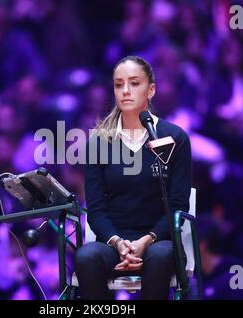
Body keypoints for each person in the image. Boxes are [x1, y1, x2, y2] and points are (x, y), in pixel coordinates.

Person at [75, 56, 192, 300]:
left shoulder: (174, 137)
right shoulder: (99, 142)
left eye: (134, 83)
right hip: (114, 244)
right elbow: (96, 210)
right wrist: (119, 243)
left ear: (151, 90)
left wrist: (146, 241)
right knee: (86, 257)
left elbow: (178, 204)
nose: (125, 91)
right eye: (119, 84)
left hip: (160, 241)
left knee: (159, 256)